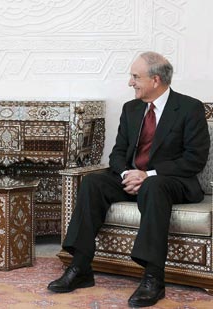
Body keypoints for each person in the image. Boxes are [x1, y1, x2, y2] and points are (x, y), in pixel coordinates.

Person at [47, 51, 210, 307]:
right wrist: (127, 174)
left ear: (155, 80)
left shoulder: (189, 108)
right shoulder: (131, 108)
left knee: (153, 187)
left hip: (172, 181)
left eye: (135, 76)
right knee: (93, 183)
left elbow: (194, 159)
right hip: (132, 178)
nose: (130, 82)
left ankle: (153, 278)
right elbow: (118, 153)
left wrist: (147, 175)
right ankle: (80, 268)